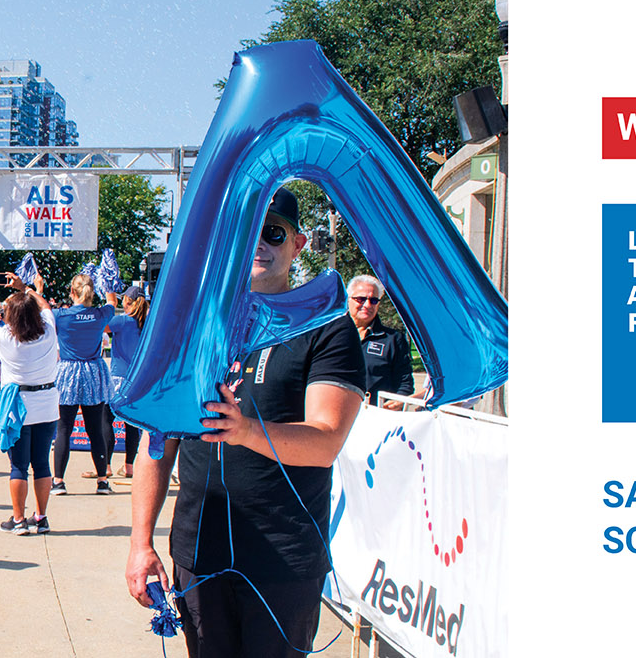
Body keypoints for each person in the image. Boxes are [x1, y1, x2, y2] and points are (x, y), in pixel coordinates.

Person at [125, 188, 366, 657]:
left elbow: (326, 440)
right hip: (198, 553)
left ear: (297, 245)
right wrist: (140, 544)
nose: (258, 243)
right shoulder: (198, 328)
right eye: (247, 232)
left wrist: (245, 430)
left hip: (282, 559)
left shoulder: (327, 326)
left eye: (273, 233)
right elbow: (156, 448)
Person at [0, 272, 59, 535]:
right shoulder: (48, 331)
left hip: (19, 409)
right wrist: (27, 288)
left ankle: (18, 519)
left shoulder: (7, 340)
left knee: (18, 467)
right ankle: (41, 517)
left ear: (11, 317)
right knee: (42, 464)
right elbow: (46, 306)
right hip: (47, 405)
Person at [50, 273, 115, 495]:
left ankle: (58, 481)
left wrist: (33, 289)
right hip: (91, 372)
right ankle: (102, 480)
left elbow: (41, 310)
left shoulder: (61, 316)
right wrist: (108, 280)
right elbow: (112, 302)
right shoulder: (100, 314)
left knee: (63, 429)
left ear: (72, 292)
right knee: (95, 429)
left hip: (68, 371)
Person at [346, 275, 416, 410]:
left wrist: (398, 401)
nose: (367, 305)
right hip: (335, 416)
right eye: (360, 299)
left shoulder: (393, 339)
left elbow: (405, 383)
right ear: (348, 300)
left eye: (373, 300)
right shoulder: (331, 333)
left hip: (376, 417)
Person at [104, 285, 148, 479]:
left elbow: (102, 326)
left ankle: (105, 465)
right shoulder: (147, 324)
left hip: (118, 377)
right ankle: (129, 466)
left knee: (106, 420)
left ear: (127, 302)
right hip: (137, 380)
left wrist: (109, 302)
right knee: (132, 424)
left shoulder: (123, 321)